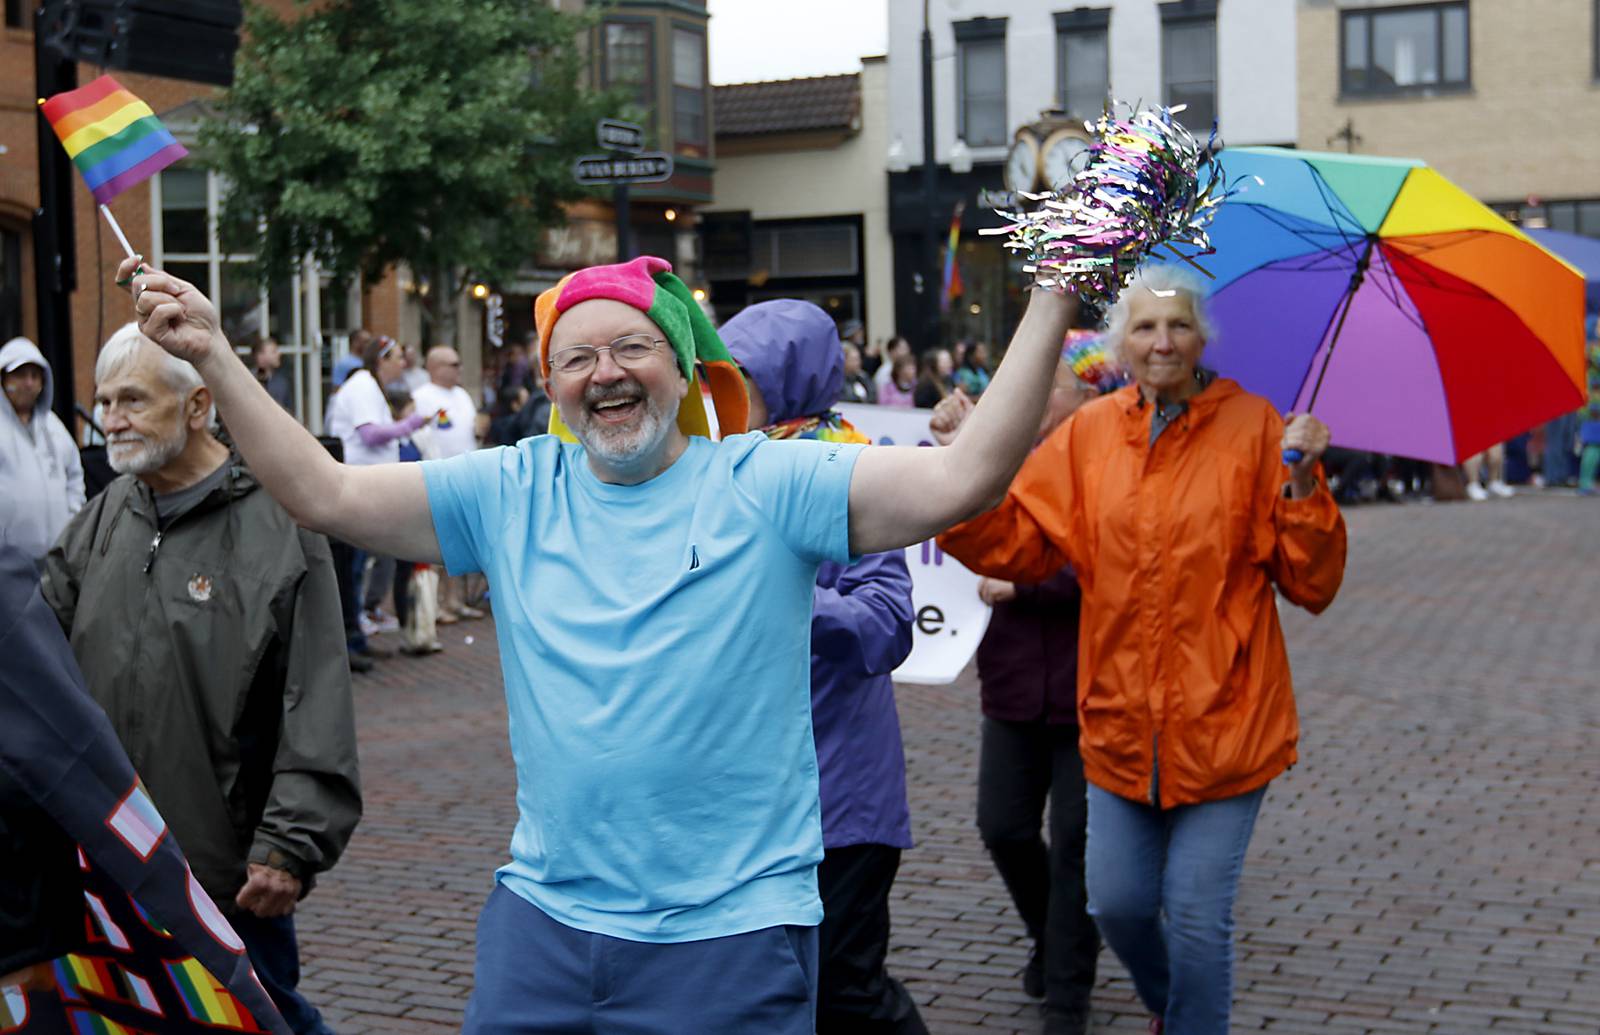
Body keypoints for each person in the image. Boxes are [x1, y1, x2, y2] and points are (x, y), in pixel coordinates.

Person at [118, 249, 1076, 1033]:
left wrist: (1053, 290)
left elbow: (965, 480)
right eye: (578, 357)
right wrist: (213, 352)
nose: (606, 371)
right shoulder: (512, 488)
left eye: (633, 346)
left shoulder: (769, 478)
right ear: (551, 385)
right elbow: (324, 494)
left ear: (686, 368)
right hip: (544, 926)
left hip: (733, 935)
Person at [935, 265, 1347, 1035]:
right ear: (1121, 342)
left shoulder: (1256, 427)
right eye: (1146, 327)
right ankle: (1176, 1008)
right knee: (1116, 904)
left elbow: (1311, 582)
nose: (1163, 342)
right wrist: (959, 474)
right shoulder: (1091, 433)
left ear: (1202, 338)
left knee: (1195, 916)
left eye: (1179, 325)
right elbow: (1017, 541)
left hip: (1229, 723)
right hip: (1120, 726)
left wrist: (1302, 485)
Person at [40, 323, 362, 1035]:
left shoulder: (281, 522)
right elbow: (35, 648)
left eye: (131, 399)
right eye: (103, 400)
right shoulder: (102, 518)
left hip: (223, 879)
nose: (111, 419)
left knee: (258, 1019)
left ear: (197, 406)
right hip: (107, 865)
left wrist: (289, 845)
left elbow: (314, 692)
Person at [722, 299, 927, 1035]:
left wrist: (791, 602)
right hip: (746, 794)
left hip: (840, 794)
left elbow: (888, 621)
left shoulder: (851, 472)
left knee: (845, 991)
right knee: (769, 987)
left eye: (735, 376)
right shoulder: (714, 469)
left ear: (787, 377)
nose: (713, 394)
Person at [931, 335, 1116, 1035]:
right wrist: (958, 436)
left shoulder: (1107, 458)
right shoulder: (1007, 451)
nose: (1037, 397)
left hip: (1088, 684)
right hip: (1012, 680)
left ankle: (1069, 991)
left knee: (1074, 840)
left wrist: (1030, 578)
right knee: (1002, 826)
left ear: (1084, 395)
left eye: (1051, 385)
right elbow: (957, 504)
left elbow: (1113, 561)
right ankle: (1057, 934)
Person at [410, 346, 485, 624]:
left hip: (467, 474)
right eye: (453, 364)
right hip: (438, 477)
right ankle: (440, 602)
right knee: (440, 543)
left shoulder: (462, 395)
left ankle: (456, 600)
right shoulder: (422, 397)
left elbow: (469, 427)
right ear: (434, 367)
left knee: (463, 540)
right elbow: (417, 437)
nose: (459, 369)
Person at [0, 337, 85, 561]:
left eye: (35, 376)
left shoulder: (54, 426)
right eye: (19, 374)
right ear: (3, 379)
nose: (28, 383)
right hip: (6, 565)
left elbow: (74, 474)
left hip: (57, 558)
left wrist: (71, 521)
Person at [249, 333, 294, 411]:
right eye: (274, 351)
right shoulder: (248, 379)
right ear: (260, 355)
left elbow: (288, 410)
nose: (279, 354)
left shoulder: (282, 381)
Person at [1580, 338, 1600, 496]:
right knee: (1593, 444)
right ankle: (1585, 482)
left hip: (1594, 406)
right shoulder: (1593, 348)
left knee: (1595, 446)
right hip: (1594, 407)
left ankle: (1588, 481)